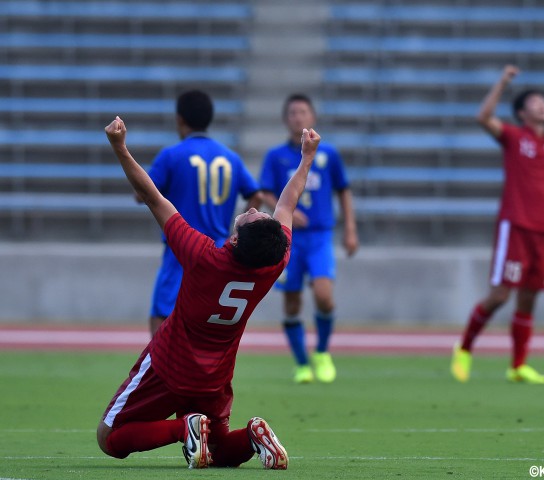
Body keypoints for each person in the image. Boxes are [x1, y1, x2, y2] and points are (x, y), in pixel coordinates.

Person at [97, 115, 322, 470]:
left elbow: (155, 198)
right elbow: (288, 202)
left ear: (234, 239)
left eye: (254, 216)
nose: (254, 209)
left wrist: (119, 148)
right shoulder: (273, 262)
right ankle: (252, 436)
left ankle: (180, 429)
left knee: (109, 438)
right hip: (215, 376)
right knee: (217, 450)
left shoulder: (203, 256)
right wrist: (307, 157)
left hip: (169, 366)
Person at [450, 65, 544, 384]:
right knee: (500, 295)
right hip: (515, 226)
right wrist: (503, 82)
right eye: (535, 102)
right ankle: (463, 349)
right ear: (522, 114)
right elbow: (484, 118)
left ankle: (518, 365)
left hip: (542, 229)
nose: (542, 105)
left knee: (530, 296)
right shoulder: (515, 138)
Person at [259, 94, 359, 384]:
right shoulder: (275, 157)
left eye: (303, 112)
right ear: (285, 119)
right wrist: (285, 207)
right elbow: (264, 191)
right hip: (288, 238)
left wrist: (350, 228)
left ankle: (323, 352)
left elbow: (344, 189)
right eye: (292, 113)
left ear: (312, 117)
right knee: (292, 302)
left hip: (319, 236)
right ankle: (302, 363)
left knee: (324, 296)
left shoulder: (328, 154)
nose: (298, 117)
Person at [146, 90, 262, 336]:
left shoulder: (171, 155)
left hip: (181, 249)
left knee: (161, 316)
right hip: (217, 251)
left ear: (180, 119)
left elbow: (145, 193)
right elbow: (256, 195)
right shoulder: (230, 157)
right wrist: (238, 229)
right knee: (205, 321)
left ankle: (160, 372)